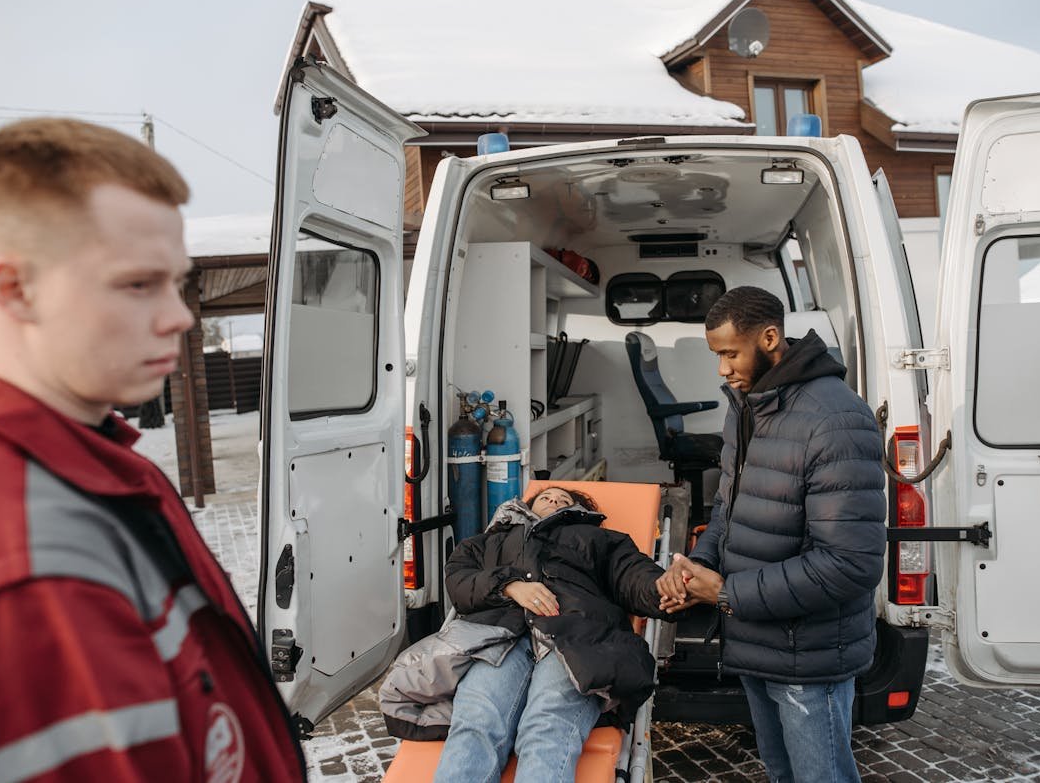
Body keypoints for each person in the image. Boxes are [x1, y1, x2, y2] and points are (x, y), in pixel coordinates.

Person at [0, 119, 307, 782]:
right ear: (14, 289)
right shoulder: (21, 576)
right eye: (139, 283)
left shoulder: (95, 468)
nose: (181, 315)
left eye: (176, 282)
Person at [657, 286, 886, 783]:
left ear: (769, 337)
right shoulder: (746, 406)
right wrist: (698, 566)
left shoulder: (836, 420)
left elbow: (851, 563)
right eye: (716, 355)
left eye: (729, 354)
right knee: (783, 775)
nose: (722, 369)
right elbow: (728, 509)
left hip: (810, 657)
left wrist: (727, 592)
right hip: (756, 639)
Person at [379, 486, 669, 783]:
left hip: (576, 638)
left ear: (578, 511)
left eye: (564, 501)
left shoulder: (600, 539)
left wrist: (664, 587)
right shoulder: (491, 540)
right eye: (546, 497)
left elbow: (634, 577)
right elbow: (459, 578)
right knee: (477, 720)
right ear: (527, 505)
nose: (554, 500)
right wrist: (508, 586)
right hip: (498, 637)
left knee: (547, 725)